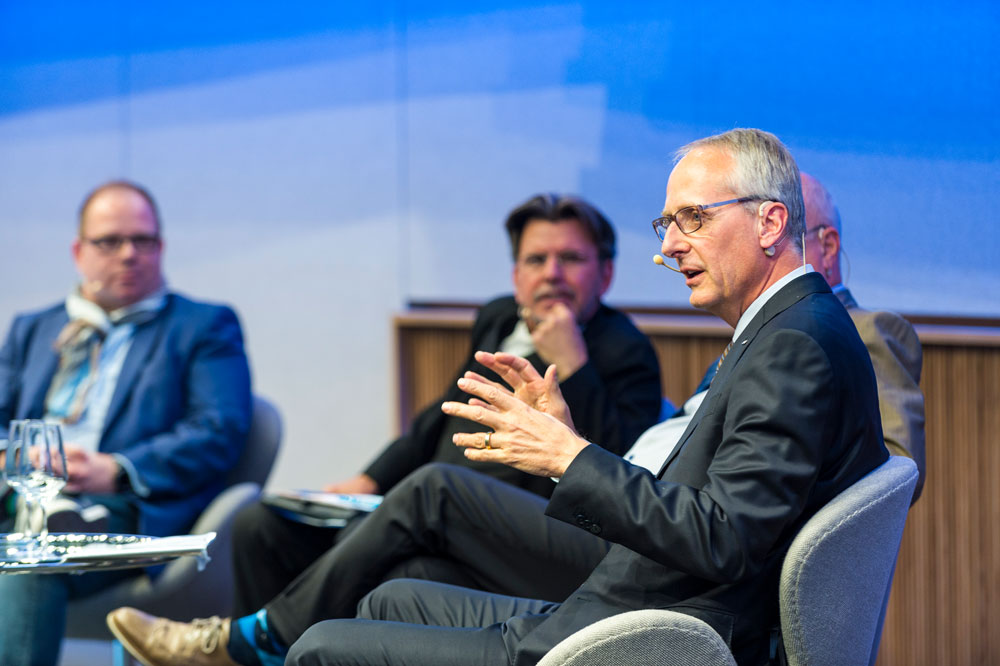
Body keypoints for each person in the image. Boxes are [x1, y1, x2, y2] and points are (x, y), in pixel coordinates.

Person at [108, 130, 888, 666]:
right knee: (392, 597)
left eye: (691, 219)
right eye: (666, 223)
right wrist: (564, 444)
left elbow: (724, 540)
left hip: (646, 630)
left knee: (320, 649)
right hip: (631, 592)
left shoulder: (793, 343)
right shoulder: (789, 329)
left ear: (770, 222)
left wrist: (568, 456)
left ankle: (249, 645)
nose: (667, 246)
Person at [225, 193, 662, 615]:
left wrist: (573, 366)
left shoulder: (626, 350)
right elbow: (443, 413)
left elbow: (616, 472)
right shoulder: (498, 318)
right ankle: (270, 648)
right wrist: (370, 478)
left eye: (571, 258)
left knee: (394, 564)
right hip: (421, 504)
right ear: (516, 277)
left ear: (605, 274)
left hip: (502, 526)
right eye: (536, 260)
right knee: (259, 527)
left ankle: (266, 635)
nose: (552, 274)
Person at [0, 181, 252, 666]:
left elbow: (219, 429)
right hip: (22, 489)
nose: (129, 254)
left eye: (143, 240)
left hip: (121, 506)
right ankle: (38, 510)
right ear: (78, 252)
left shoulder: (203, 326)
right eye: (110, 241)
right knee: (32, 529)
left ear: (161, 246)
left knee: (37, 553)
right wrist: (22, 459)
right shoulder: (33, 328)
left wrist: (116, 469)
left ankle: (49, 518)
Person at [799, 172, 925, 500]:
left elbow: (901, 469)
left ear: (827, 246)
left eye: (788, 238)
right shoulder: (757, 336)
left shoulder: (866, 330)